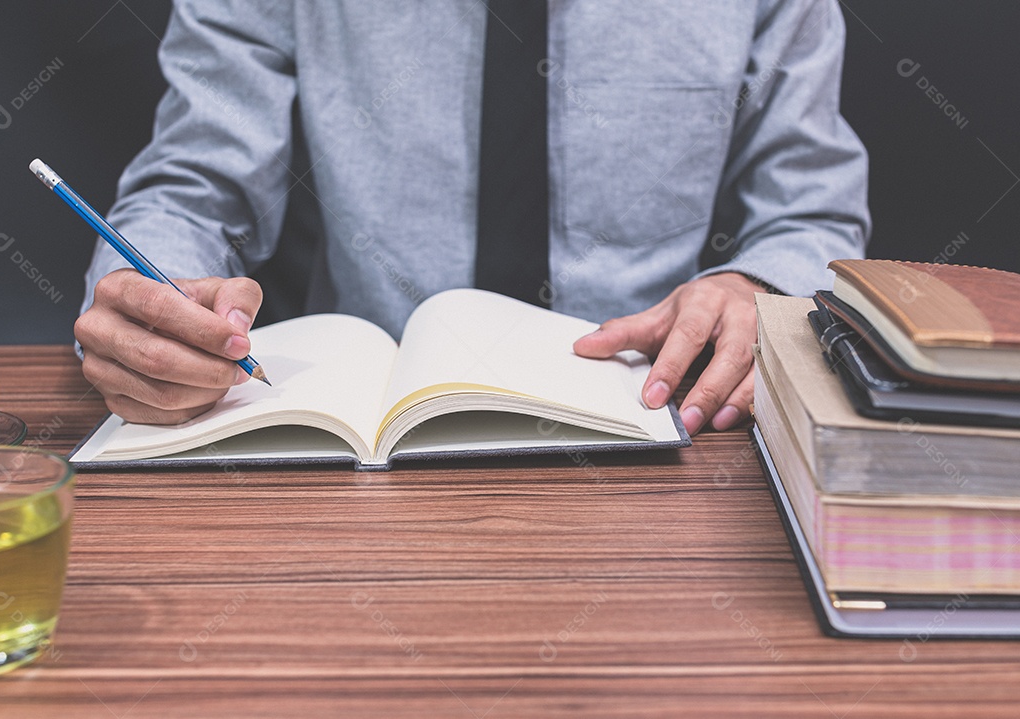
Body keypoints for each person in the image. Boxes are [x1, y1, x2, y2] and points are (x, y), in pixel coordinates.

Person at [76, 0, 870, 432]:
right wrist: (142, 300)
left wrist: (755, 286)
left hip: (659, 427)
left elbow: (814, 207)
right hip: (362, 445)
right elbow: (190, 183)